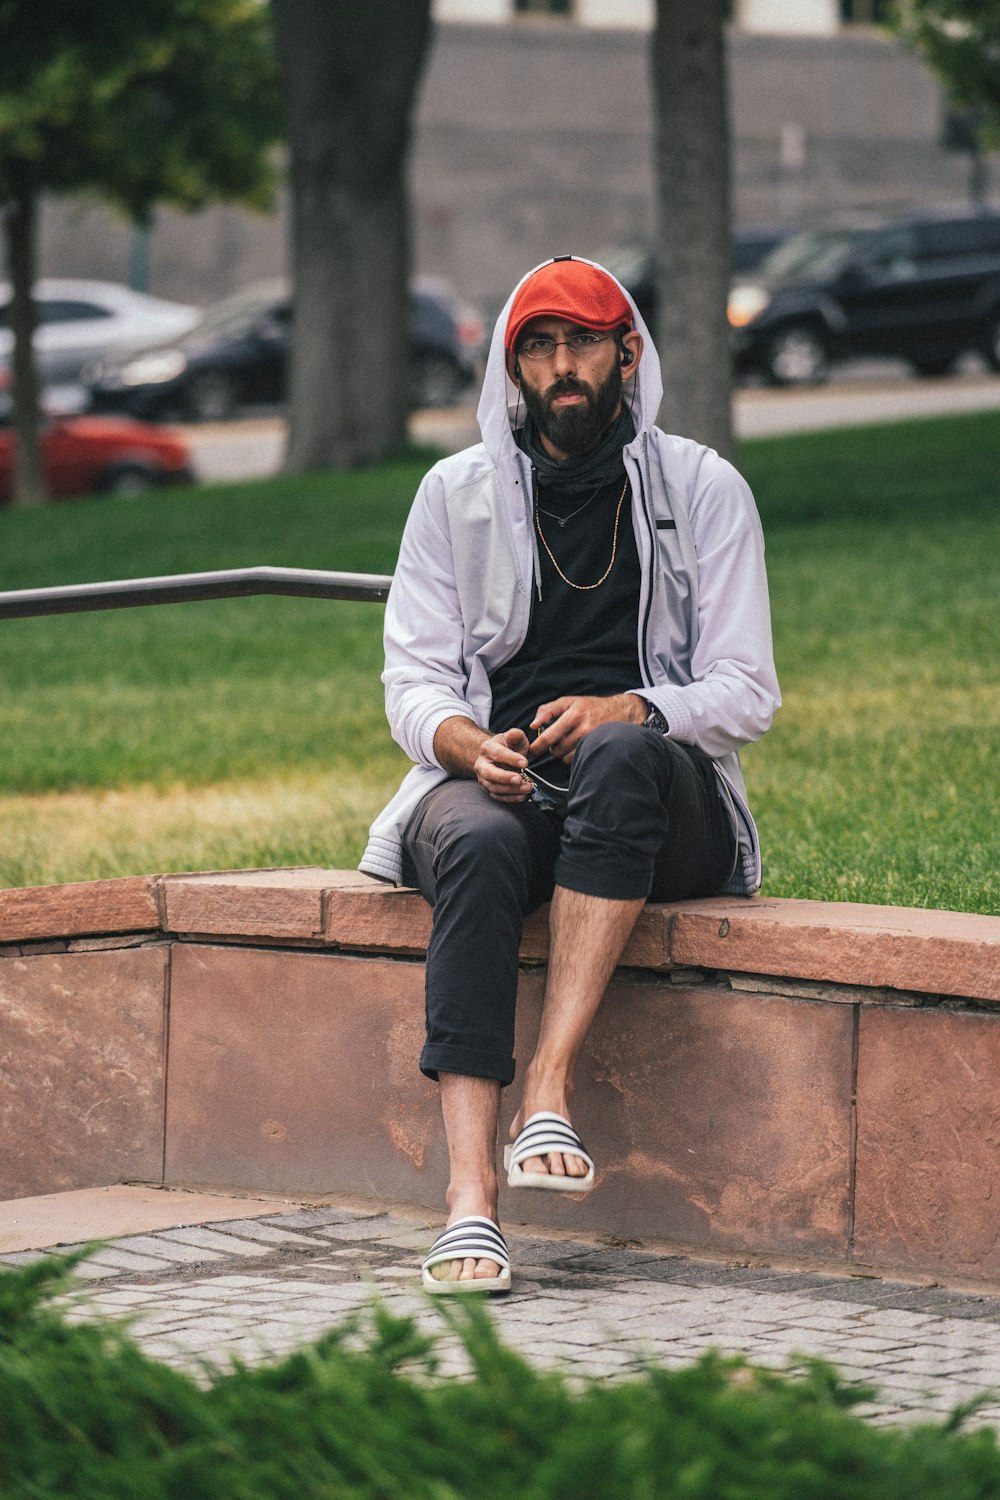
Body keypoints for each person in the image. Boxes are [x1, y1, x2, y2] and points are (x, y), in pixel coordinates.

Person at [360, 256, 780, 1294]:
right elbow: (411, 677)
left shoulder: (701, 489)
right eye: (538, 348)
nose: (562, 368)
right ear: (513, 369)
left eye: (582, 343)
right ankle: (470, 1201)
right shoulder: (451, 495)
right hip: (499, 782)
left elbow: (746, 689)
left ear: (627, 354)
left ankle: (547, 1084)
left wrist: (632, 708)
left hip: (655, 795)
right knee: (473, 839)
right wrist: (467, 746)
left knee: (627, 752)